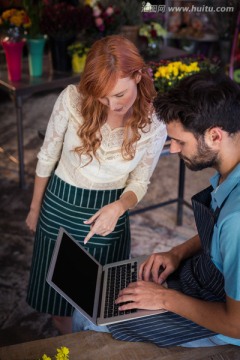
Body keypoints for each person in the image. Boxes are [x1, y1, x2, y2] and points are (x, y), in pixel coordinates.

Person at [73, 72, 240, 347]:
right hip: (203, 280)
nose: (172, 149)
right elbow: (221, 233)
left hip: (221, 320)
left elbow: (236, 324)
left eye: (180, 141)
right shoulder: (231, 175)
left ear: (214, 136)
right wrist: (177, 253)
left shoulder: (237, 219)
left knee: (86, 315)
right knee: (112, 289)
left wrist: (163, 298)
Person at [25, 35, 167, 335]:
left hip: (109, 213)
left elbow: (140, 181)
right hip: (59, 205)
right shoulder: (71, 99)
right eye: (102, 96)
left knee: (101, 306)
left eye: (118, 94)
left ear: (138, 76)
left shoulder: (154, 124)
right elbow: (48, 154)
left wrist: (119, 207)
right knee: (59, 308)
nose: (110, 104)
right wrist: (35, 207)